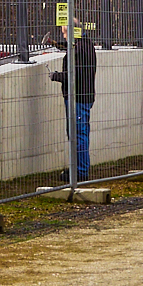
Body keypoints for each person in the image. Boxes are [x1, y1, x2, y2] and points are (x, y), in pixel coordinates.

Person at [46, 23, 97, 181]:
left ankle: (80, 172)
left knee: (78, 134)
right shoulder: (85, 44)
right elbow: (70, 48)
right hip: (83, 96)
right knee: (78, 133)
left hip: (78, 97)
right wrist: (55, 44)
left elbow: (73, 75)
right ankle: (77, 169)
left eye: (64, 33)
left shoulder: (79, 50)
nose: (64, 36)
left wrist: (56, 76)